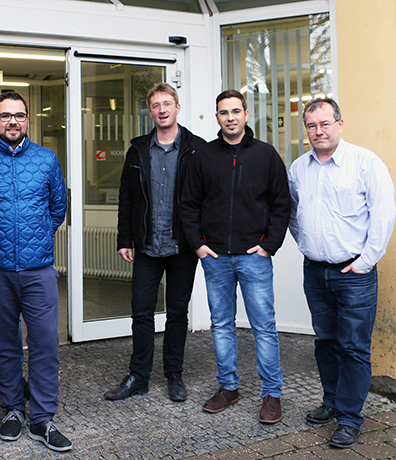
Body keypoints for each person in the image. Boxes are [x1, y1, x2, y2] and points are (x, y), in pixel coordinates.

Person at [289, 98, 395, 448]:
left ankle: (350, 418)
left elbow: (383, 216)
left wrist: (364, 262)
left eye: (324, 124)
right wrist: (307, 245)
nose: (318, 131)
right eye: (311, 126)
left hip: (354, 274)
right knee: (326, 342)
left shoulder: (365, 163)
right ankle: (332, 401)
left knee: (353, 347)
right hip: (315, 273)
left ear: (339, 124)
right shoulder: (299, 168)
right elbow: (292, 214)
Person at [180, 89, 290, 424]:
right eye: (223, 112)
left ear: (245, 115)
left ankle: (272, 394)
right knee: (222, 324)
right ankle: (229, 387)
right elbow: (188, 204)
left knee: (264, 326)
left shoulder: (266, 155)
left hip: (254, 256)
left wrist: (269, 244)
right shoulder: (203, 155)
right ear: (217, 117)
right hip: (215, 258)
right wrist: (198, 245)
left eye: (235, 111)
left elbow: (281, 204)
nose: (230, 117)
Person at [0, 92, 71, 452]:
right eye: (5, 116)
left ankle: (43, 418)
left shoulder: (46, 159)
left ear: (28, 120)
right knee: (4, 345)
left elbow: (57, 207)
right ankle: (12, 410)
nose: (12, 122)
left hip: (38, 272)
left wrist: (39, 237)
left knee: (46, 344)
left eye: (19, 115)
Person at [104, 83, 204, 403]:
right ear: (150, 111)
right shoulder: (137, 150)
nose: (161, 110)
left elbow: (207, 200)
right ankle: (139, 377)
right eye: (155, 105)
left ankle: (174, 375)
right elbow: (127, 198)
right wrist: (124, 238)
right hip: (146, 246)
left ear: (177, 108)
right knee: (141, 313)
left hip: (182, 247)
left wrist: (202, 239)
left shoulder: (197, 149)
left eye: (167, 104)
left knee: (177, 313)